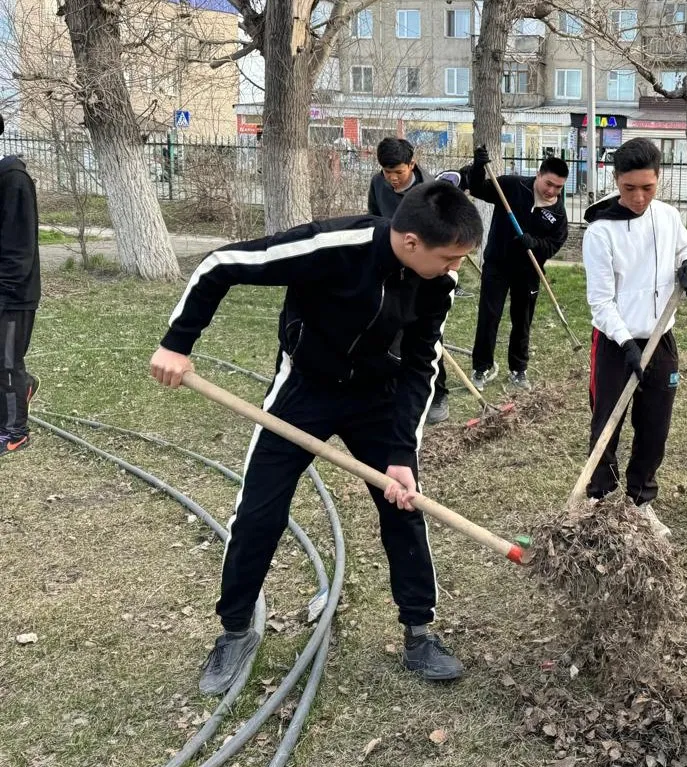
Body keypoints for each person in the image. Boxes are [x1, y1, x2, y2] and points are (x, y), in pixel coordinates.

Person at [149, 182, 482, 695]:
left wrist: (400, 452)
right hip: (305, 390)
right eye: (451, 257)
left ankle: (419, 631)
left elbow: (421, 363)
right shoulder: (329, 247)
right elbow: (220, 266)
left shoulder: (436, 281)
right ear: (412, 242)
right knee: (260, 510)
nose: (455, 268)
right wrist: (177, 343)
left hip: (378, 395)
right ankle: (236, 628)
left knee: (404, 507)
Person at [582, 138, 687, 536]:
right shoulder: (600, 233)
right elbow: (600, 302)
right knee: (607, 425)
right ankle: (598, 502)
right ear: (615, 180)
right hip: (616, 345)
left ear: (659, 180)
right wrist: (626, 342)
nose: (638, 197)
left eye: (647, 188)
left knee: (655, 426)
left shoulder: (667, 216)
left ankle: (641, 502)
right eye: (629, 187)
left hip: (660, 340)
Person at [367, 137, 463, 425]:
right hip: (392, 268)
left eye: (398, 172)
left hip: (425, 271)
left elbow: (446, 236)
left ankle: (437, 395)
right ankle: (391, 392)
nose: (392, 179)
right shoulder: (377, 183)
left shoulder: (431, 192)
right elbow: (374, 219)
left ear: (412, 163)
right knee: (388, 330)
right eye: (387, 172)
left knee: (426, 336)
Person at [461, 147, 569, 391]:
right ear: (539, 174)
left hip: (529, 271)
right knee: (489, 316)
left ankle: (518, 370)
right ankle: (481, 367)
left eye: (558, 187)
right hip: (497, 264)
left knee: (522, 320)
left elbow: (554, 244)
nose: (552, 191)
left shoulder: (557, 212)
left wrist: (535, 243)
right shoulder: (512, 186)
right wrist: (478, 166)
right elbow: (477, 188)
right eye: (549, 183)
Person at [0, 112, 41, 456]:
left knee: (7, 362)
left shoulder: (13, 181)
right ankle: (22, 391)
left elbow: (18, 250)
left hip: (12, 296)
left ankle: (15, 431)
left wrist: (4, 294)